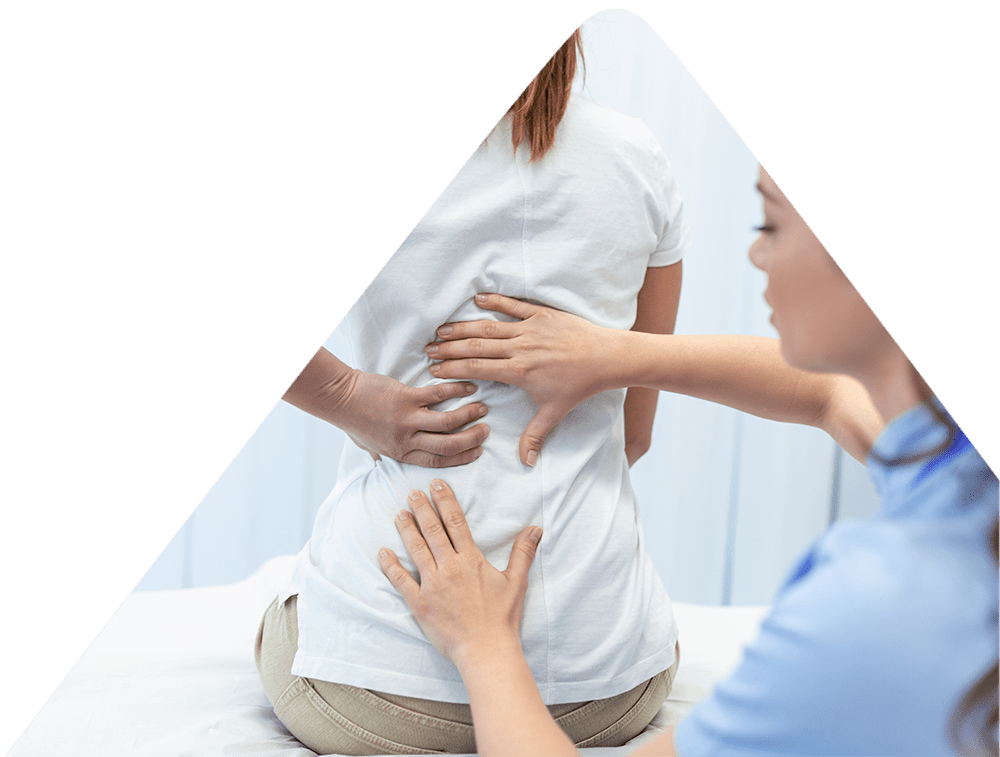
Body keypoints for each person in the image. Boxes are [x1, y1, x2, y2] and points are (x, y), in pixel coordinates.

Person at [380, 167, 1000, 756]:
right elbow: (828, 395)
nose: (757, 255)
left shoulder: (876, 611)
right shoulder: (960, 466)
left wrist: (484, 646)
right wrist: (618, 355)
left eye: (771, 225)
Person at [256, 29, 695, 754]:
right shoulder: (636, 154)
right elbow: (635, 433)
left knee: (282, 615)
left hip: (377, 692)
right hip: (607, 685)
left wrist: (346, 394)